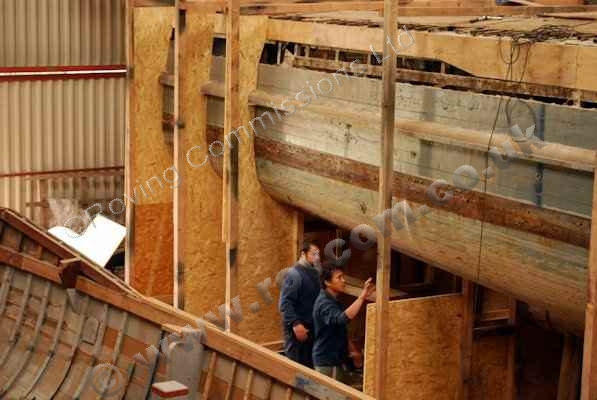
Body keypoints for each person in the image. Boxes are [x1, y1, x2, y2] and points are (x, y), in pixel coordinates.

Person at [312, 263, 374, 383]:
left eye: (343, 277)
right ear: (327, 282)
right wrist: (362, 297)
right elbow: (342, 319)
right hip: (328, 363)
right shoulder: (324, 303)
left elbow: (341, 329)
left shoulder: (334, 300)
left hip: (337, 361)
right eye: (339, 277)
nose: (343, 280)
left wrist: (354, 351)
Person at [278, 241, 321, 368]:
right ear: (303, 254)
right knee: (296, 368)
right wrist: (296, 324)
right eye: (313, 254)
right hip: (298, 331)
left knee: (309, 368)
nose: (317, 258)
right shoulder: (294, 274)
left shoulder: (313, 273)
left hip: (311, 329)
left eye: (318, 255)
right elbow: (285, 302)